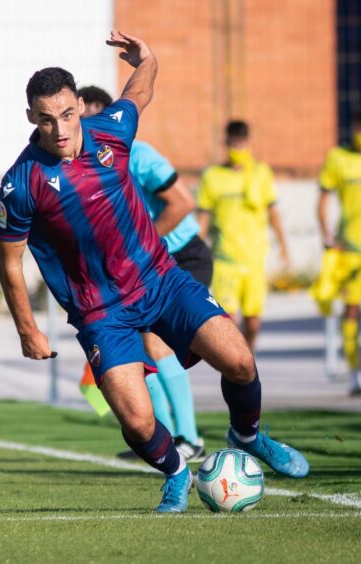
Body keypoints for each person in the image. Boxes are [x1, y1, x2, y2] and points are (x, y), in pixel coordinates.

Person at [0, 31, 309, 513]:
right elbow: (10, 262)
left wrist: (149, 57)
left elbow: (139, 91)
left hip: (160, 281)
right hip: (101, 313)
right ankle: (177, 473)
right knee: (138, 421)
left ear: (80, 105)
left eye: (67, 114)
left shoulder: (112, 131)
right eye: (46, 119)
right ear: (31, 117)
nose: (59, 128)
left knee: (240, 361)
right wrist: (27, 328)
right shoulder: (21, 183)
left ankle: (247, 435)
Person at [77, 85, 210, 461]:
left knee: (156, 344)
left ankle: (189, 439)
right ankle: (165, 439)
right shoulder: (86, 168)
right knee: (140, 350)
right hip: (141, 264)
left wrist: (141, 246)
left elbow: (183, 203)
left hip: (181, 256)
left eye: (89, 122)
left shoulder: (137, 155)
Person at [196, 121, 290, 352]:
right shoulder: (212, 176)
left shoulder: (261, 173)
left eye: (241, 143)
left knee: (253, 321)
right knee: (228, 319)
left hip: (254, 258)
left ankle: (248, 357)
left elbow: (272, 212)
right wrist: (195, 248)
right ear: (225, 144)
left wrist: (283, 245)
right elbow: (203, 218)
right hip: (225, 259)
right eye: (233, 144)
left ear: (249, 143)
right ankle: (235, 362)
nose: (237, 149)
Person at [318, 106, 361, 396]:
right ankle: (355, 374)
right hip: (352, 249)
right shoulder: (338, 158)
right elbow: (323, 198)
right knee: (351, 310)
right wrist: (328, 236)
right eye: (360, 129)